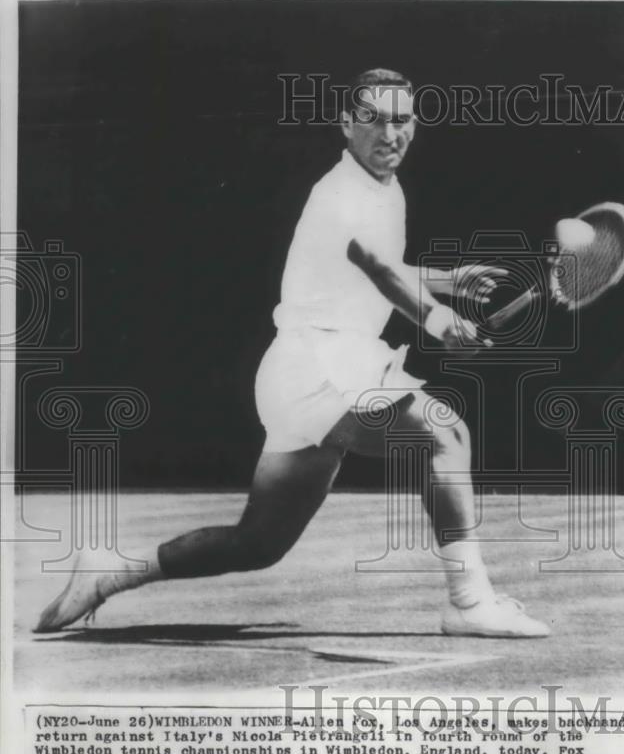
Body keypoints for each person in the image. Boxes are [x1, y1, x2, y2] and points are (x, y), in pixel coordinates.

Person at [35, 68, 549, 638]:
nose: (389, 133)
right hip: (318, 365)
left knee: (257, 544)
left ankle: (109, 572)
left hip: (313, 372)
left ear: (416, 125)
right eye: (374, 119)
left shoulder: (385, 188)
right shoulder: (337, 193)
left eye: (401, 119)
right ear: (346, 124)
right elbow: (377, 268)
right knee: (443, 433)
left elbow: (373, 265)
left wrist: (450, 280)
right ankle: (471, 602)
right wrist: (436, 315)